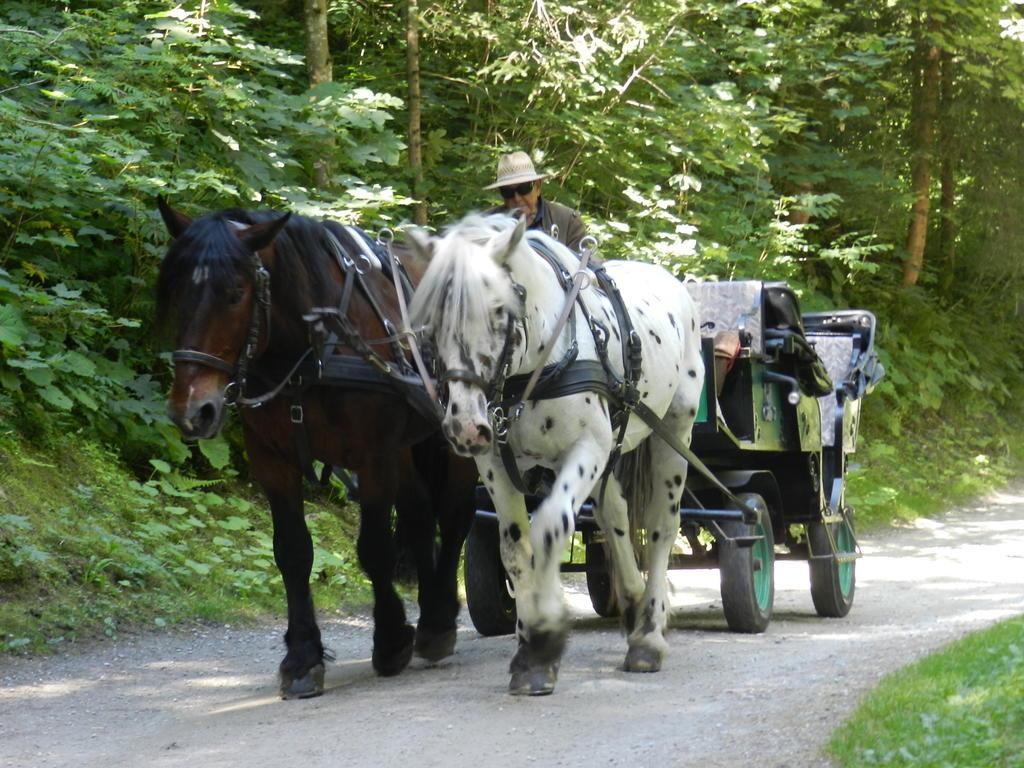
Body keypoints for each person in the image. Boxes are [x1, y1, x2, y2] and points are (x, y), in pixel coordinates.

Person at [485, 151, 587, 251]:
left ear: (537, 186)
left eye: (523, 188)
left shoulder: (568, 222)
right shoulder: (486, 224)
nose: (517, 198)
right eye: (507, 192)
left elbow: (584, 264)